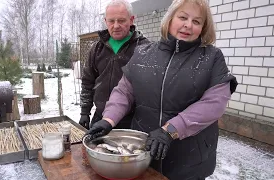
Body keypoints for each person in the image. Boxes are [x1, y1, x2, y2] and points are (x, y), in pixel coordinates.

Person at [86, 0, 238, 179]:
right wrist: (108, 120)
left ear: (204, 27)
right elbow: (124, 92)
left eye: (197, 21)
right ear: (170, 18)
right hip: (144, 152)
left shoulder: (212, 57)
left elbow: (214, 104)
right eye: (183, 17)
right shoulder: (144, 53)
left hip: (188, 157)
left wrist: (170, 130)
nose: (188, 25)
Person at [79, 0, 149, 130]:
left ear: (132, 20)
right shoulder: (97, 48)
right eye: (111, 21)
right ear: (105, 21)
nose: (116, 25)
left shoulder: (144, 48)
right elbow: (87, 82)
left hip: (131, 120)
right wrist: (84, 112)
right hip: (100, 117)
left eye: (121, 20)